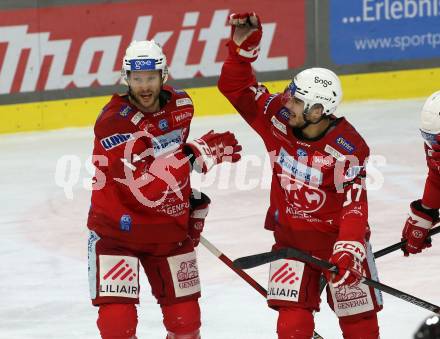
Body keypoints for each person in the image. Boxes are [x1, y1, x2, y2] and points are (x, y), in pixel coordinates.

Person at [218, 13, 382, 339]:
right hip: (291, 244)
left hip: (339, 246)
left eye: (296, 100)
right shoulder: (276, 117)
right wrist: (242, 51)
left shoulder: (347, 148)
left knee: (361, 328)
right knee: (292, 328)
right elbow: (235, 87)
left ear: (318, 110)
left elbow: (353, 205)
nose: (286, 102)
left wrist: (349, 249)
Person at [87, 40, 241, 339]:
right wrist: (193, 154)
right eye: (137, 79)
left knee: (186, 323)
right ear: (126, 78)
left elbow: (169, 164)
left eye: (151, 78)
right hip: (117, 232)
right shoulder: (113, 122)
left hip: (167, 231)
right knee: (117, 325)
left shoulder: (182, 106)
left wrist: (188, 201)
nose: (144, 86)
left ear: (164, 75)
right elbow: (144, 184)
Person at [401, 91, 440, 256]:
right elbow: (437, 178)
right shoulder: (434, 148)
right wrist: (426, 211)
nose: (432, 146)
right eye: (429, 138)